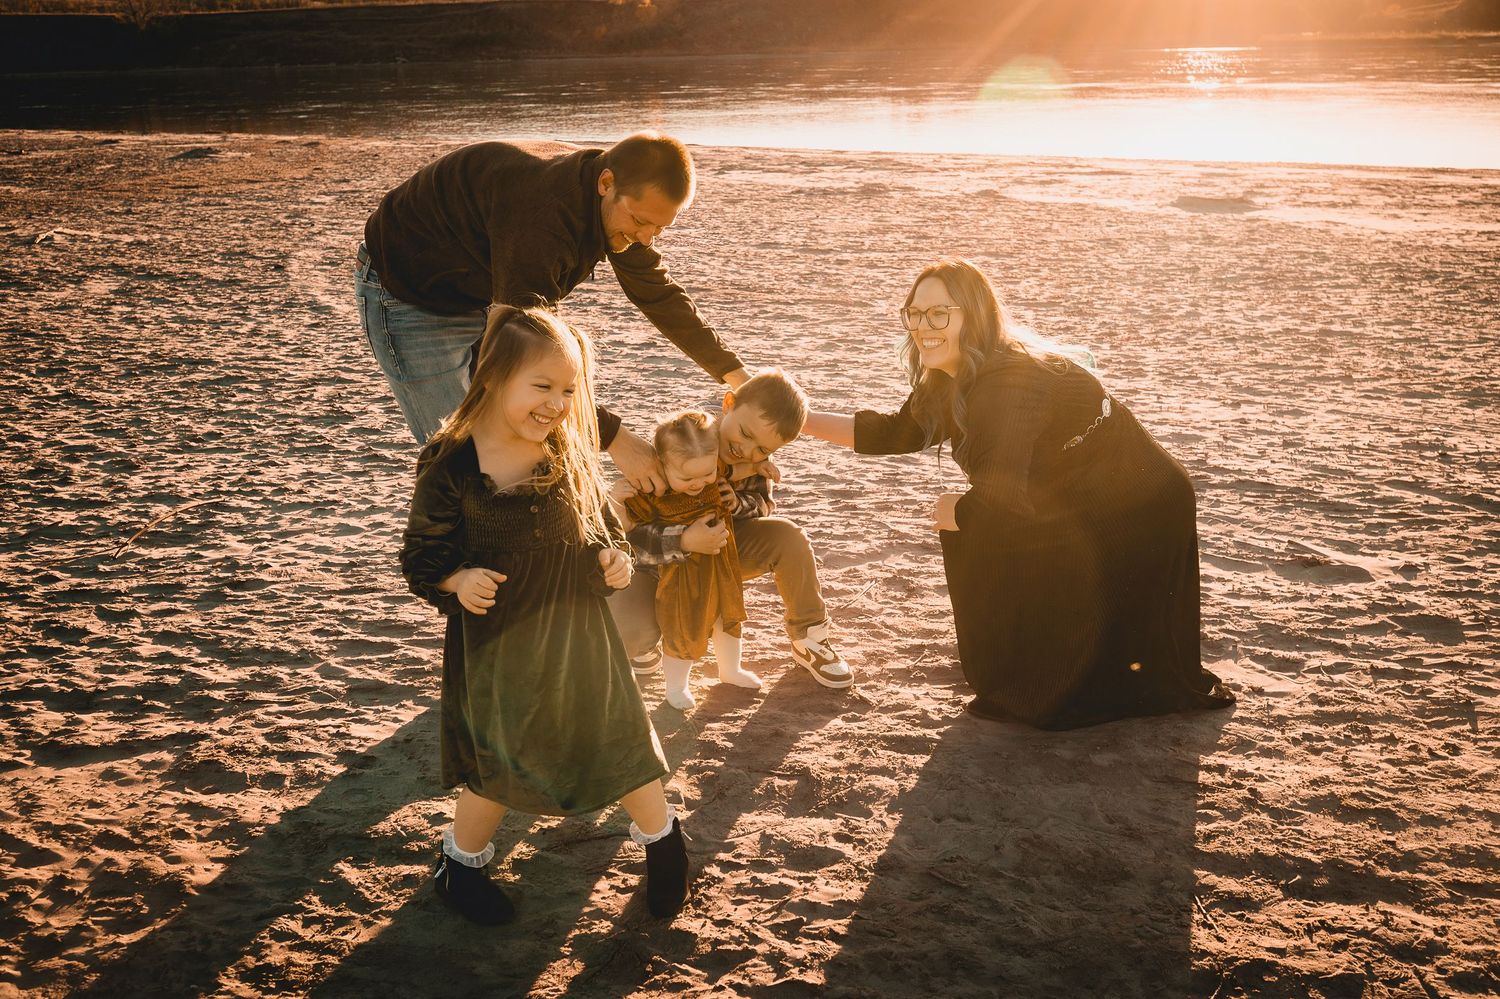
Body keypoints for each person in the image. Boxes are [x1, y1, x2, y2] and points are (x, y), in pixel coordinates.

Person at [802, 259, 1234, 729]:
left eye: (939, 313)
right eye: (915, 313)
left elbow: (1002, 500)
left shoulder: (1005, 384)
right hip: (1080, 496)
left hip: (1139, 506)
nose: (924, 326)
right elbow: (898, 432)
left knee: (966, 519)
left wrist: (954, 510)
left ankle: (1021, 676)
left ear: (974, 316)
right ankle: (1030, 664)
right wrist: (795, 422)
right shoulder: (956, 371)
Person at [399, 304, 689, 925]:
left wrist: (612, 558)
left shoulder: (567, 452)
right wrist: (456, 577)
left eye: (569, 389)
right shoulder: (451, 464)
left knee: (622, 742)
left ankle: (665, 846)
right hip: (500, 644)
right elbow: (421, 555)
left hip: (578, 636)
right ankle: (461, 865)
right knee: (499, 762)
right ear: (493, 378)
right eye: (542, 387)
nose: (558, 404)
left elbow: (600, 528)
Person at [356, 130, 750, 492]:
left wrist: (738, 378)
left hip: (480, 285)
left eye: (658, 229)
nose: (645, 238)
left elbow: (658, 296)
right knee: (465, 458)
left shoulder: (618, 205)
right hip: (411, 293)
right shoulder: (542, 220)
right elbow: (529, 356)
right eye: (641, 222)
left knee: (524, 438)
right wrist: (617, 439)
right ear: (606, 183)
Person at [611, 370, 855, 693]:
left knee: (790, 539)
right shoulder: (681, 441)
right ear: (728, 403)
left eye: (763, 450)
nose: (747, 450)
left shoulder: (755, 463)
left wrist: (736, 503)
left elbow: (764, 505)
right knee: (630, 634)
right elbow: (630, 535)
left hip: (718, 554)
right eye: (744, 433)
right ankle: (645, 644)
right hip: (656, 565)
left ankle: (809, 636)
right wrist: (683, 540)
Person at [613, 410, 763, 710]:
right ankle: (676, 685)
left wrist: (763, 464)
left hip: (722, 569)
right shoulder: (654, 492)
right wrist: (616, 498)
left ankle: (729, 670)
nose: (699, 483)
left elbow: (740, 470)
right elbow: (625, 528)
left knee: (728, 618)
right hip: (680, 577)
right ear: (662, 465)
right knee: (683, 626)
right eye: (687, 477)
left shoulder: (714, 477)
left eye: (707, 473)